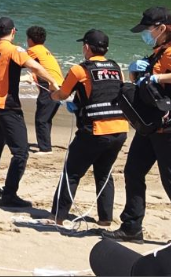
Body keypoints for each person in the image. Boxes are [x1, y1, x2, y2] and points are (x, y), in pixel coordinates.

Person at [105, 6, 171, 248]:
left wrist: (158, 77)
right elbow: (146, 89)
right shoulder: (157, 54)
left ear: (161, 28)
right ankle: (131, 227)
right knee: (133, 172)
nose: (146, 34)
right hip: (151, 128)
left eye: (148, 29)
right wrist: (137, 74)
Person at [48, 29, 129, 226]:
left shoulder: (79, 70)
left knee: (71, 172)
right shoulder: (116, 68)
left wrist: (52, 93)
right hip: (120, 129)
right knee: (104, 174)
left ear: (86, 47)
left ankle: (58, 216)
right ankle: (105, 218)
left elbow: (63, 93)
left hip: (95, 130)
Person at [0, 17, 63, 208]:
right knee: (21, 152)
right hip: (7, 106)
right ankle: (9, 194)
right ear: (13, 32)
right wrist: (52, 82)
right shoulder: (13, 49)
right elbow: (34, 65)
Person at [26, 25, 64, 155]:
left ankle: (45, 149)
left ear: (30, 39)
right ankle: (45, 145)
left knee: (41, 119)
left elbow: (19, 61)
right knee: (46, 118)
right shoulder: (44, 50)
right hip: (59, 86)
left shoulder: (32, 50)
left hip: (50, 87)